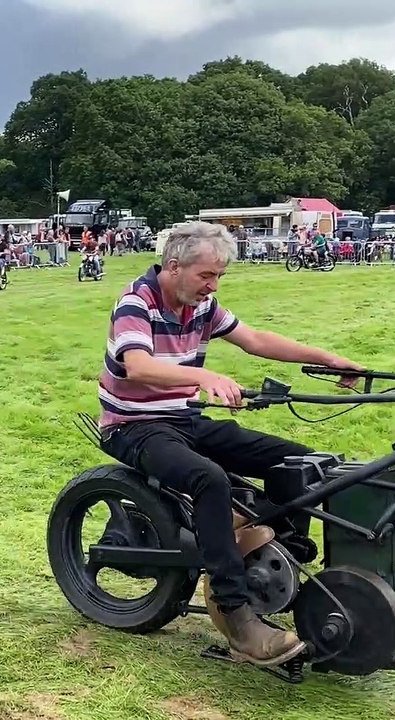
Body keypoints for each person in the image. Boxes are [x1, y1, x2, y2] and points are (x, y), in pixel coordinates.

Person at [96, 221, 363, 667]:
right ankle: (237, 615)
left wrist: (329, 358)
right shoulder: (135, 302)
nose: (213, 286)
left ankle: (280, 568)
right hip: (133, 425)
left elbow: (255, 339)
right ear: (174, 266)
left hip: (183, 418)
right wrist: (204, 376)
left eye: (219, 277)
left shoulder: (202, 305)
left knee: (298, 461)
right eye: (207, 276)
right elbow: (138, 366)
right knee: (208, 479)